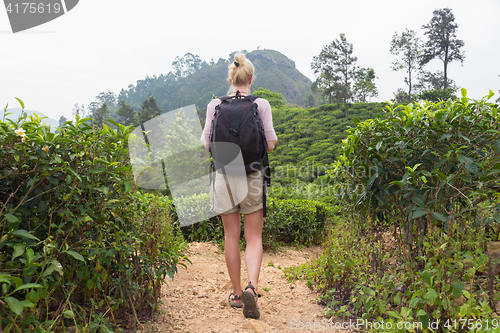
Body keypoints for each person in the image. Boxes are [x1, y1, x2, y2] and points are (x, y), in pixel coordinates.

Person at [201, 52, 277, 319]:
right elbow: (269, 143)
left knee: (231, 236)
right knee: (253, 237)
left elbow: (207, 144)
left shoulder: (214, 105)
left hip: (224, 175)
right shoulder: (261, 105)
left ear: (230, 78)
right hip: (253, 174)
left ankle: (236, 293)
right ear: (250, 78)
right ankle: (252, 289)